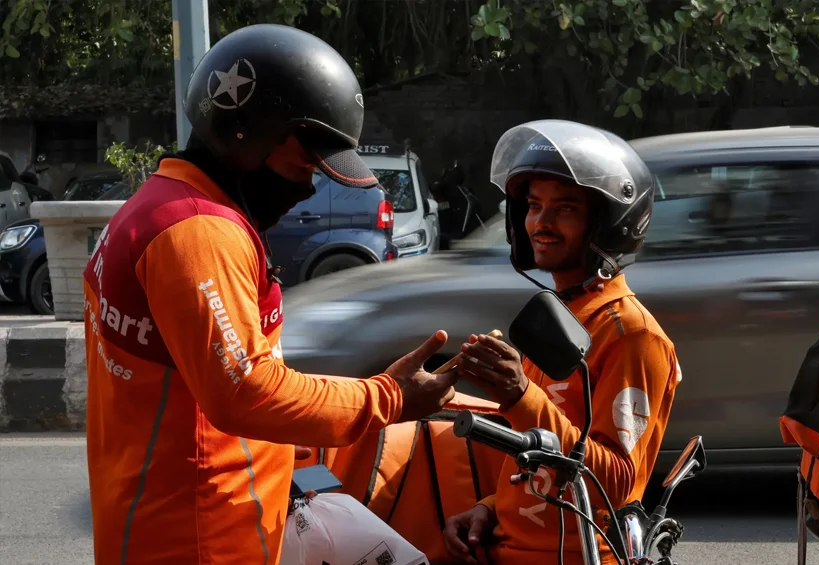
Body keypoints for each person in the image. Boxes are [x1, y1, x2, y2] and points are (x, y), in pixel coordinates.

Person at [81, 24, 458, 565]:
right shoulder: (198, 232)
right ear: (248, 136)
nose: (307, 187)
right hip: (201, 537)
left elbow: (199, 383)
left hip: (175, 517)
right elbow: (246, 391)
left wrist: (284, 444)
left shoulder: (156, 208)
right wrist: (389, 397)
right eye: (302, 166)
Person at [442, 120, 682, 565]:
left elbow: (615, 483)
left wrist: (521, 395)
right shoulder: (562, 317)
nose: (541, 223)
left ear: (607, 226)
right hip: (504, 548)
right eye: (534, 206)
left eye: (565, 209)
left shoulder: (632, 336)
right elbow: (534, 457)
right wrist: (489, 509)